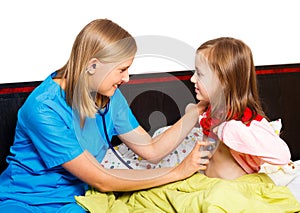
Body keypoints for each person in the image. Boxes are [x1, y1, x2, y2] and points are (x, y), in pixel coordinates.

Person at [0, 19, 208, 212]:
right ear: (93, 66)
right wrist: (177, 172)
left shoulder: (110, 96)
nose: (126, 78)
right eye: (122, 69)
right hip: (25, 201)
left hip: (77, 200)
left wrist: (197, 110)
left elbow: (152, 150)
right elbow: (101, 179)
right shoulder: (43, 109)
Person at [190, 37, 291, 180]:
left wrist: (229, 130)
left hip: (235, 190)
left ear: (223, 82)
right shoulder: (209, 112)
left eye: (199, 74)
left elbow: (283, 155)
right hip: (208, 184)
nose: (192, 79)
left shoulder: (246, 120)